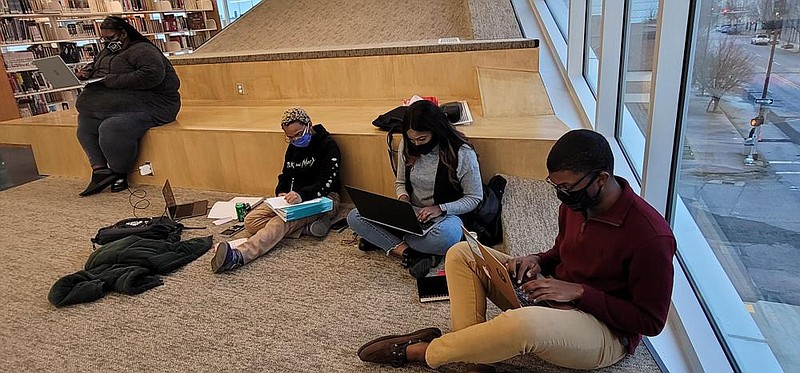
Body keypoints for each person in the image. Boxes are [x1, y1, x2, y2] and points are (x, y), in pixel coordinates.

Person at [357, 129, 676, 372]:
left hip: (604, 332)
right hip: (553, 296)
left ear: (601, 179)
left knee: (523, 326)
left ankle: (424, 352)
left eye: (566, 188)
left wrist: (579, 292)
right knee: (461, 253)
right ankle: (473, 358)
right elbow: (562, 252)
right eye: (555, 186)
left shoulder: (651, 237)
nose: (560, 196)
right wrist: (537, 260)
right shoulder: (579, 203)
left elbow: (650, 321)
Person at [347, 100, 482, 278]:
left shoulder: (462, 153)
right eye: (412, 139)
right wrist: (403, 201)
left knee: (448, 236)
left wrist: (440, 208)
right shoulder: (407, 145)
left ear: (437, 131)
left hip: (444, 217)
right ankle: (411, 253)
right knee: (355, 216)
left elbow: (474, 197)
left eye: (422, 139)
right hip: (412, 213)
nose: (417, 144)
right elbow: (400, 183)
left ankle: (387, 241)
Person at [212, 107, 341, 273]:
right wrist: (281, 191)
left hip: (324, 199)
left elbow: (327, 182)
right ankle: (307, 228)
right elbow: (286, 175)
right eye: (290, 137)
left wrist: (302, 195)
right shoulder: (294, 147)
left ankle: (239, 256)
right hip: (292, 198)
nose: (295, 140)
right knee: (251, 221)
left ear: (309, 125)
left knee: (278, 223)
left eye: (299, 134)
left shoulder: (328, 145)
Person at [75, 16, 181, 196]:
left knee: (113, 127)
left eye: (111, 38)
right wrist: (87, 73)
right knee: (85, 122)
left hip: (154, 103)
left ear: (123, 33)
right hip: (121, 103)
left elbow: (152, 75)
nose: (107, 43)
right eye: (104, 39)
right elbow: (97, 68)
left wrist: (111, 81)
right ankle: (100, 171)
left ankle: (119, 172)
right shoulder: (106, 52)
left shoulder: (143, 50)